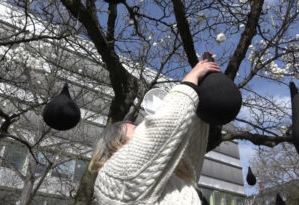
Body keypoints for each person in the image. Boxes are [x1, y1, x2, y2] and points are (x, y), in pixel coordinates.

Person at [90, 55, 221, 204]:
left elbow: (190, 150)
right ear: (115, 145)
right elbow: (164, 125)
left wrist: (204, 82)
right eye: (136, 130)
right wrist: (192, 78)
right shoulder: (112, 177)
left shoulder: (167, 178)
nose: (142, 130)